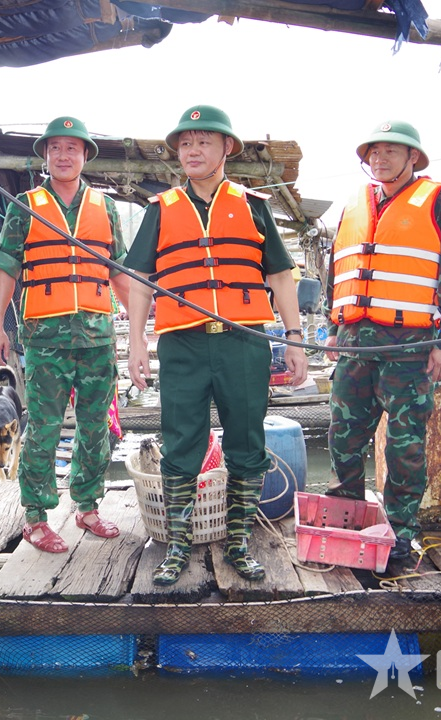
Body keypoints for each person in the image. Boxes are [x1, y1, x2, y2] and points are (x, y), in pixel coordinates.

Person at [125, 105, 308, 585]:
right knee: (181, 442)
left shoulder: (254, 205)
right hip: (182, 344)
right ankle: (178, 542)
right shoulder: (160, 209)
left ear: (227, 148)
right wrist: (138, 342)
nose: (192, 150)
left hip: (244, 342)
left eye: (203, 141)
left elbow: (281, 277)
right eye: (185, 143)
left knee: (247, 443)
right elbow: (140, 281)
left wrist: (294, 340)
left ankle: (239, 538)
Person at [324, 120, 441, 568]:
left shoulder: (440, 199)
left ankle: (401, 536)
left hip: (411, 346)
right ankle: (349, 515)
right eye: (374, 152)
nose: (380, 159)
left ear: (413, 158)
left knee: (405, 446)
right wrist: (332, 328)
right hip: (354, 343)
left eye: (392, 151)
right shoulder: (353, 204)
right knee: (343, 437)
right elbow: (338, 268)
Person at [0, 116, 131, 553]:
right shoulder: (25, 205)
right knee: (45, 428)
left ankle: (87, 507)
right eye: (55, 149)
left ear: (85, 155)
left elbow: (118, 271)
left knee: (95, 427)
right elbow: (7, 269)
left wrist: (140, 330)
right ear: (46, 157)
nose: (63, 155)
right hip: (44, 339)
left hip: (97, 339)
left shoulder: (104, 208)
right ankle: (35, 517)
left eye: (72, 148)